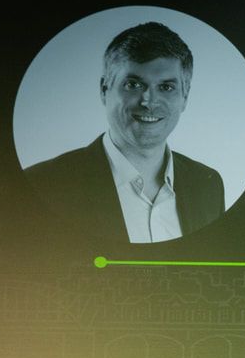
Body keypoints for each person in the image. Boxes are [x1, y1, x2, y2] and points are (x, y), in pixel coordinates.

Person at [24, 22, 224, 253]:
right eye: (133, 84)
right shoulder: (44, 184)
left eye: (166, 87)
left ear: (185, 97)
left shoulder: (208, 185)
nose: (149, 101)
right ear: (104, 89)